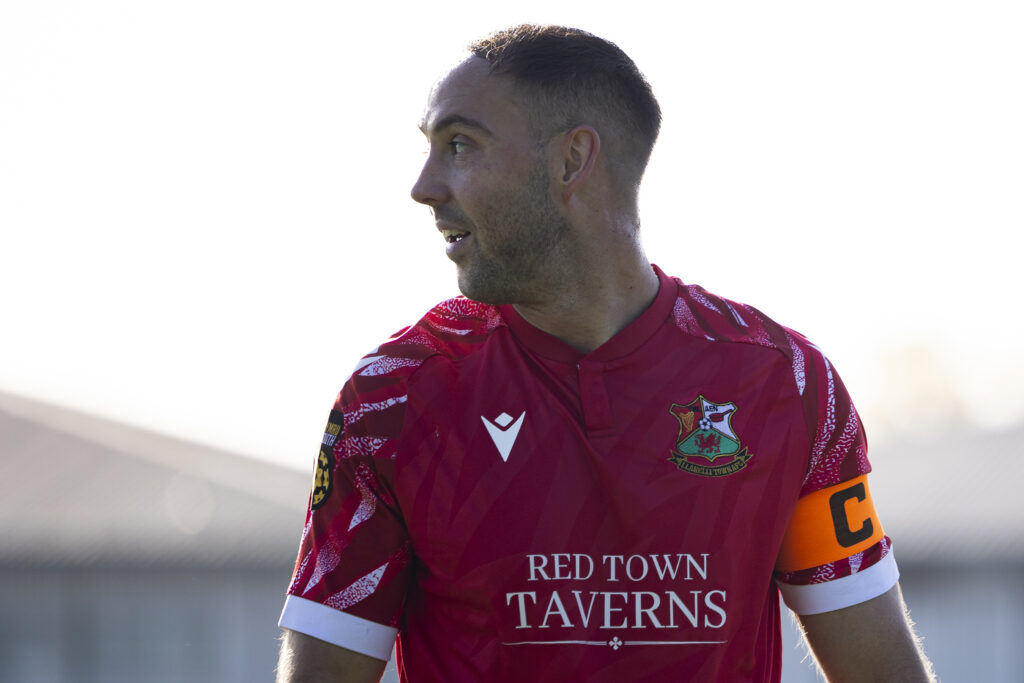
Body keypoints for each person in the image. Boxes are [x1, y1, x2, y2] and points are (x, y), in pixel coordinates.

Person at [276, 24, 934, 682]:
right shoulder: (392, 397)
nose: (425, 187)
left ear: (570, 161)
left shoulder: (785, 384)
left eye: (459, 145)